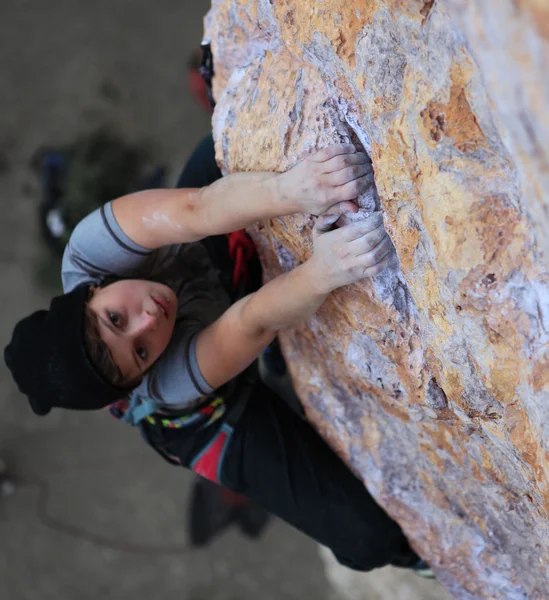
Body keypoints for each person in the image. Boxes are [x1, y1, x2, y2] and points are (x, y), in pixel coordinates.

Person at [4, 134, 432, 577]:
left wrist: (292, 189)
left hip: (202, 274)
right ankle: (418, 559)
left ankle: (277, 359)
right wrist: (326, 269)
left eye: (115, 318)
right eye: (141, 350)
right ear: (141, 375)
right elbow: (253, 320)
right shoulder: (166, 383)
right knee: (367, 537)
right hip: (210, 413)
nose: (149, 319)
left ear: (90, 291)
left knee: (223, 147)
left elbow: (198, 210)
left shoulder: (90, 250)